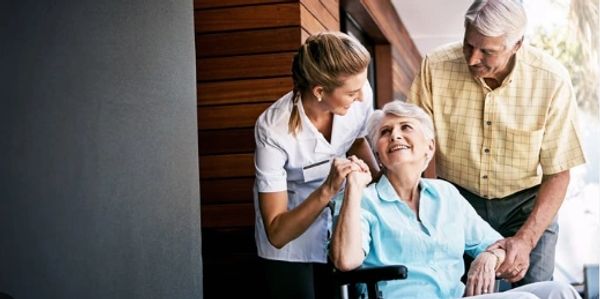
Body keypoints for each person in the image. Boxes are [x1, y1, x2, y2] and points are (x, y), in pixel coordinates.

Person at [408, 0, 586, 286]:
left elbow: (559, 171)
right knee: (461, 289)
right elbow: (416, 146)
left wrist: (526, 240)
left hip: (527, 206)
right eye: (468, 45)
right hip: (459, 201)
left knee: (535, 291)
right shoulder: (435, 67)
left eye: (487, 51)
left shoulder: (552, 80)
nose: (472, 59)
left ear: (516, 45)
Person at [330, 100, 581, 299]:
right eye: (386, 132)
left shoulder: (445, 195)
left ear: (429, 148)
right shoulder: (363, 199)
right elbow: (346, 260)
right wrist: (353, 188)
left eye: (405, 127)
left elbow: (498, 245)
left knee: (559, 292)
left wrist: (489, 256)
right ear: (378, 155)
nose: (395, 135)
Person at [253, 31, 379, 299]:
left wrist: (381, 183)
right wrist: (328, 189)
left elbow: (356, 140)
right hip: (289, 238)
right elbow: (276, 231)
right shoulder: (273, 129)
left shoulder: (360, 94)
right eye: (351, 93)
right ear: (320, 91)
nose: (360, 98)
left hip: (336, 223)